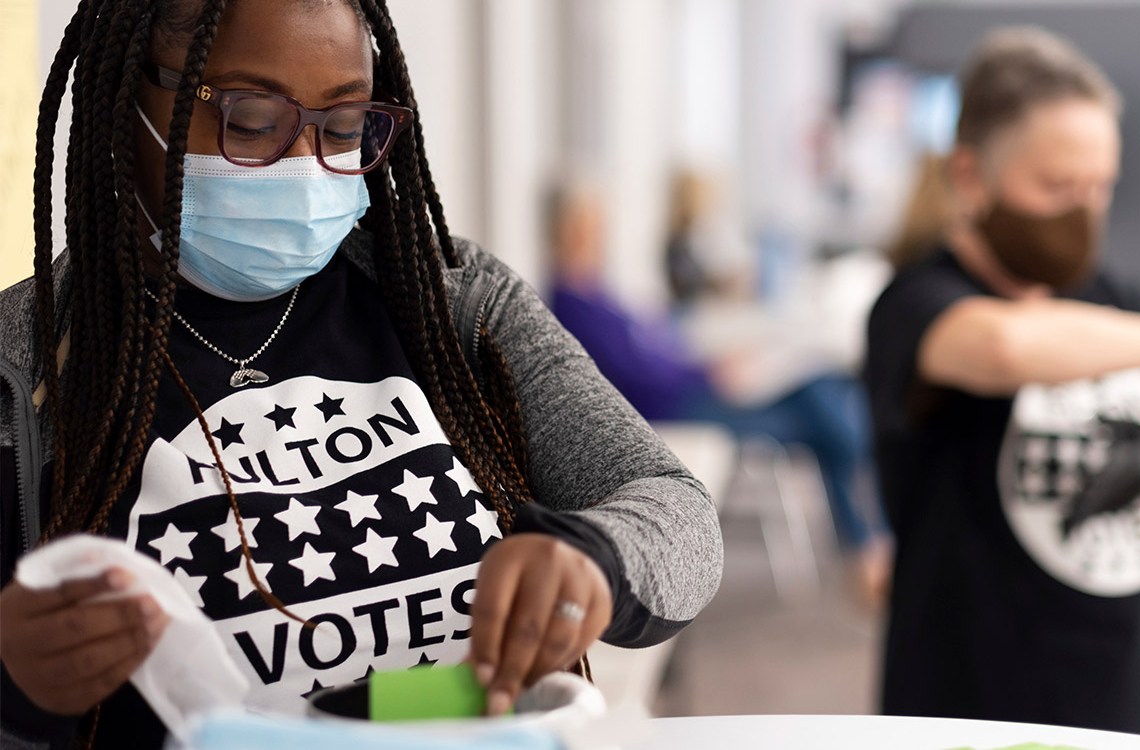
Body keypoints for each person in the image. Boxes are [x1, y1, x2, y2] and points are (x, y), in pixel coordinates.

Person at [0, 2, 723, 747]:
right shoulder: (21, 365)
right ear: (127, 101)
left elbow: (677, 514)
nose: (308, 165)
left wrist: (594, 560)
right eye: (251, 120)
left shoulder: (451, 303)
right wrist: (13, 682)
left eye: (344, 129)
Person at [866, 27, 1140, 738]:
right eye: (1056, 187)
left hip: (1129, 688)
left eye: (1099, 187)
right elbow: (1006, 346)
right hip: (973, 698)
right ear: (969, 175)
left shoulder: (1119, 296)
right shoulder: (917, 301)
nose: (1082, 210)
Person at [547, 181, 890, 605]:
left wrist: (709, 365)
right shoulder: (569, 300)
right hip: (674, 408)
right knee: (822, 417)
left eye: (596, 222)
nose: (595, 232)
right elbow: (634, 378)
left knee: (816, 388)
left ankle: (865, 543)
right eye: (585, 224)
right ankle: (867, 539)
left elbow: (655, 350)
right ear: (561, 229)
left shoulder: (596, 289)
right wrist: (708, 373)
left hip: (689, 388)